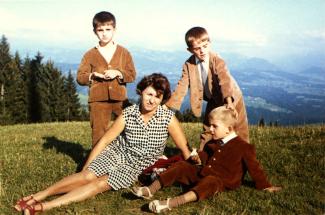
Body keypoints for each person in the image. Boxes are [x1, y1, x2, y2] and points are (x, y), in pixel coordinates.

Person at [14, 73, 192, 214]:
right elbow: (106, 140)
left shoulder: (168, 118)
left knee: (99, 184)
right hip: (117, 152)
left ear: (163, 99)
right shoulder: (128, 113)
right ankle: (39, 195)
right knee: (87, 176)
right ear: (142, 92)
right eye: (149, 94)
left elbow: (184, 149)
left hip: (138, 165)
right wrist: (87, 166)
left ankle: (46, 206)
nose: (152, 100)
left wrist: (195, 167)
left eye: (158, 97)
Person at [131, 106, 281, 213]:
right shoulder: (213, 143)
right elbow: (206, 156)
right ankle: (150, 189)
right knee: (182, 165)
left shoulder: (244, 147)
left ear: (229, 129)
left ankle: (170, 203)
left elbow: (255, 169)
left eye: (215, 126)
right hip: (202, 172)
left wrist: (265, 185)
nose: (210, 129)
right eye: (210, 125)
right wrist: (197, 158)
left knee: (210, 183)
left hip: (221, 181)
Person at [165, 26, 249, 151]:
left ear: (209, 43)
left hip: (231, 97)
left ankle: (244, 157)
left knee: (237, 129)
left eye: (205, 46)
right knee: (209, 128)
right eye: (197, 49)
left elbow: (224, 80)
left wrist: (229, 102)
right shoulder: (188, 65)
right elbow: (181, 86)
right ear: (190, 50)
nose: (202, 51)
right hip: (213, 99)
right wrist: (168, 107)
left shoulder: (217, 60)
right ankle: (204, 157)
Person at [77, 11, 136, 147]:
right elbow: (80, 77)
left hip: (120, 100)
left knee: (130, 128)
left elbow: (132, 75)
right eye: (100, 30)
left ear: (114, 30)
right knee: (98, 133)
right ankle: (96, 164)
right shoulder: (89, 54)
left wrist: (118, 73)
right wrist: (92, 75)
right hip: (98, 101)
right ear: (94, 32)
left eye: (108, 29)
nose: (104, 33)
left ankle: (128, 157)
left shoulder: (124, 52)